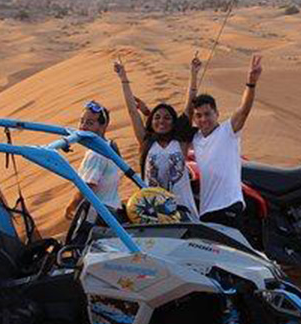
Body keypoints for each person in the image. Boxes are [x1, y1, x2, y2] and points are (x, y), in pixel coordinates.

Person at [184, 53, 262, 229]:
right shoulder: (195, 138)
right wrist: (193, 76)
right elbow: (185, 114)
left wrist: (251, 83)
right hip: (206, 212)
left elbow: (243, 111)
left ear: (217, 114)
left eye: (207, 114)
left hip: (228, 206)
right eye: (199, 116)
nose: (203, 119)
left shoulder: (228, 131)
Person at [112, 59, 198, 217]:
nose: (161, 121)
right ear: (151, 121)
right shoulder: (146, 141)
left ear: (174, 122)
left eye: (167, 118)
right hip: (152, 210)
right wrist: (123, 78)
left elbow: (190, 106)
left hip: (183, 209)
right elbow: (132, 111)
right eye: (157, 117)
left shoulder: (180, 142)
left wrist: (194, 72)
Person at [65, 101, 122, 224]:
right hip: (111, 211)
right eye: (82, 121)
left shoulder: (96, 153)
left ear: (103, 126)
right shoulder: (107, 147)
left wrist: (72, 205)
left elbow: (88, 186)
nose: (83, 126)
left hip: (99, 214)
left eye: (90, 123)